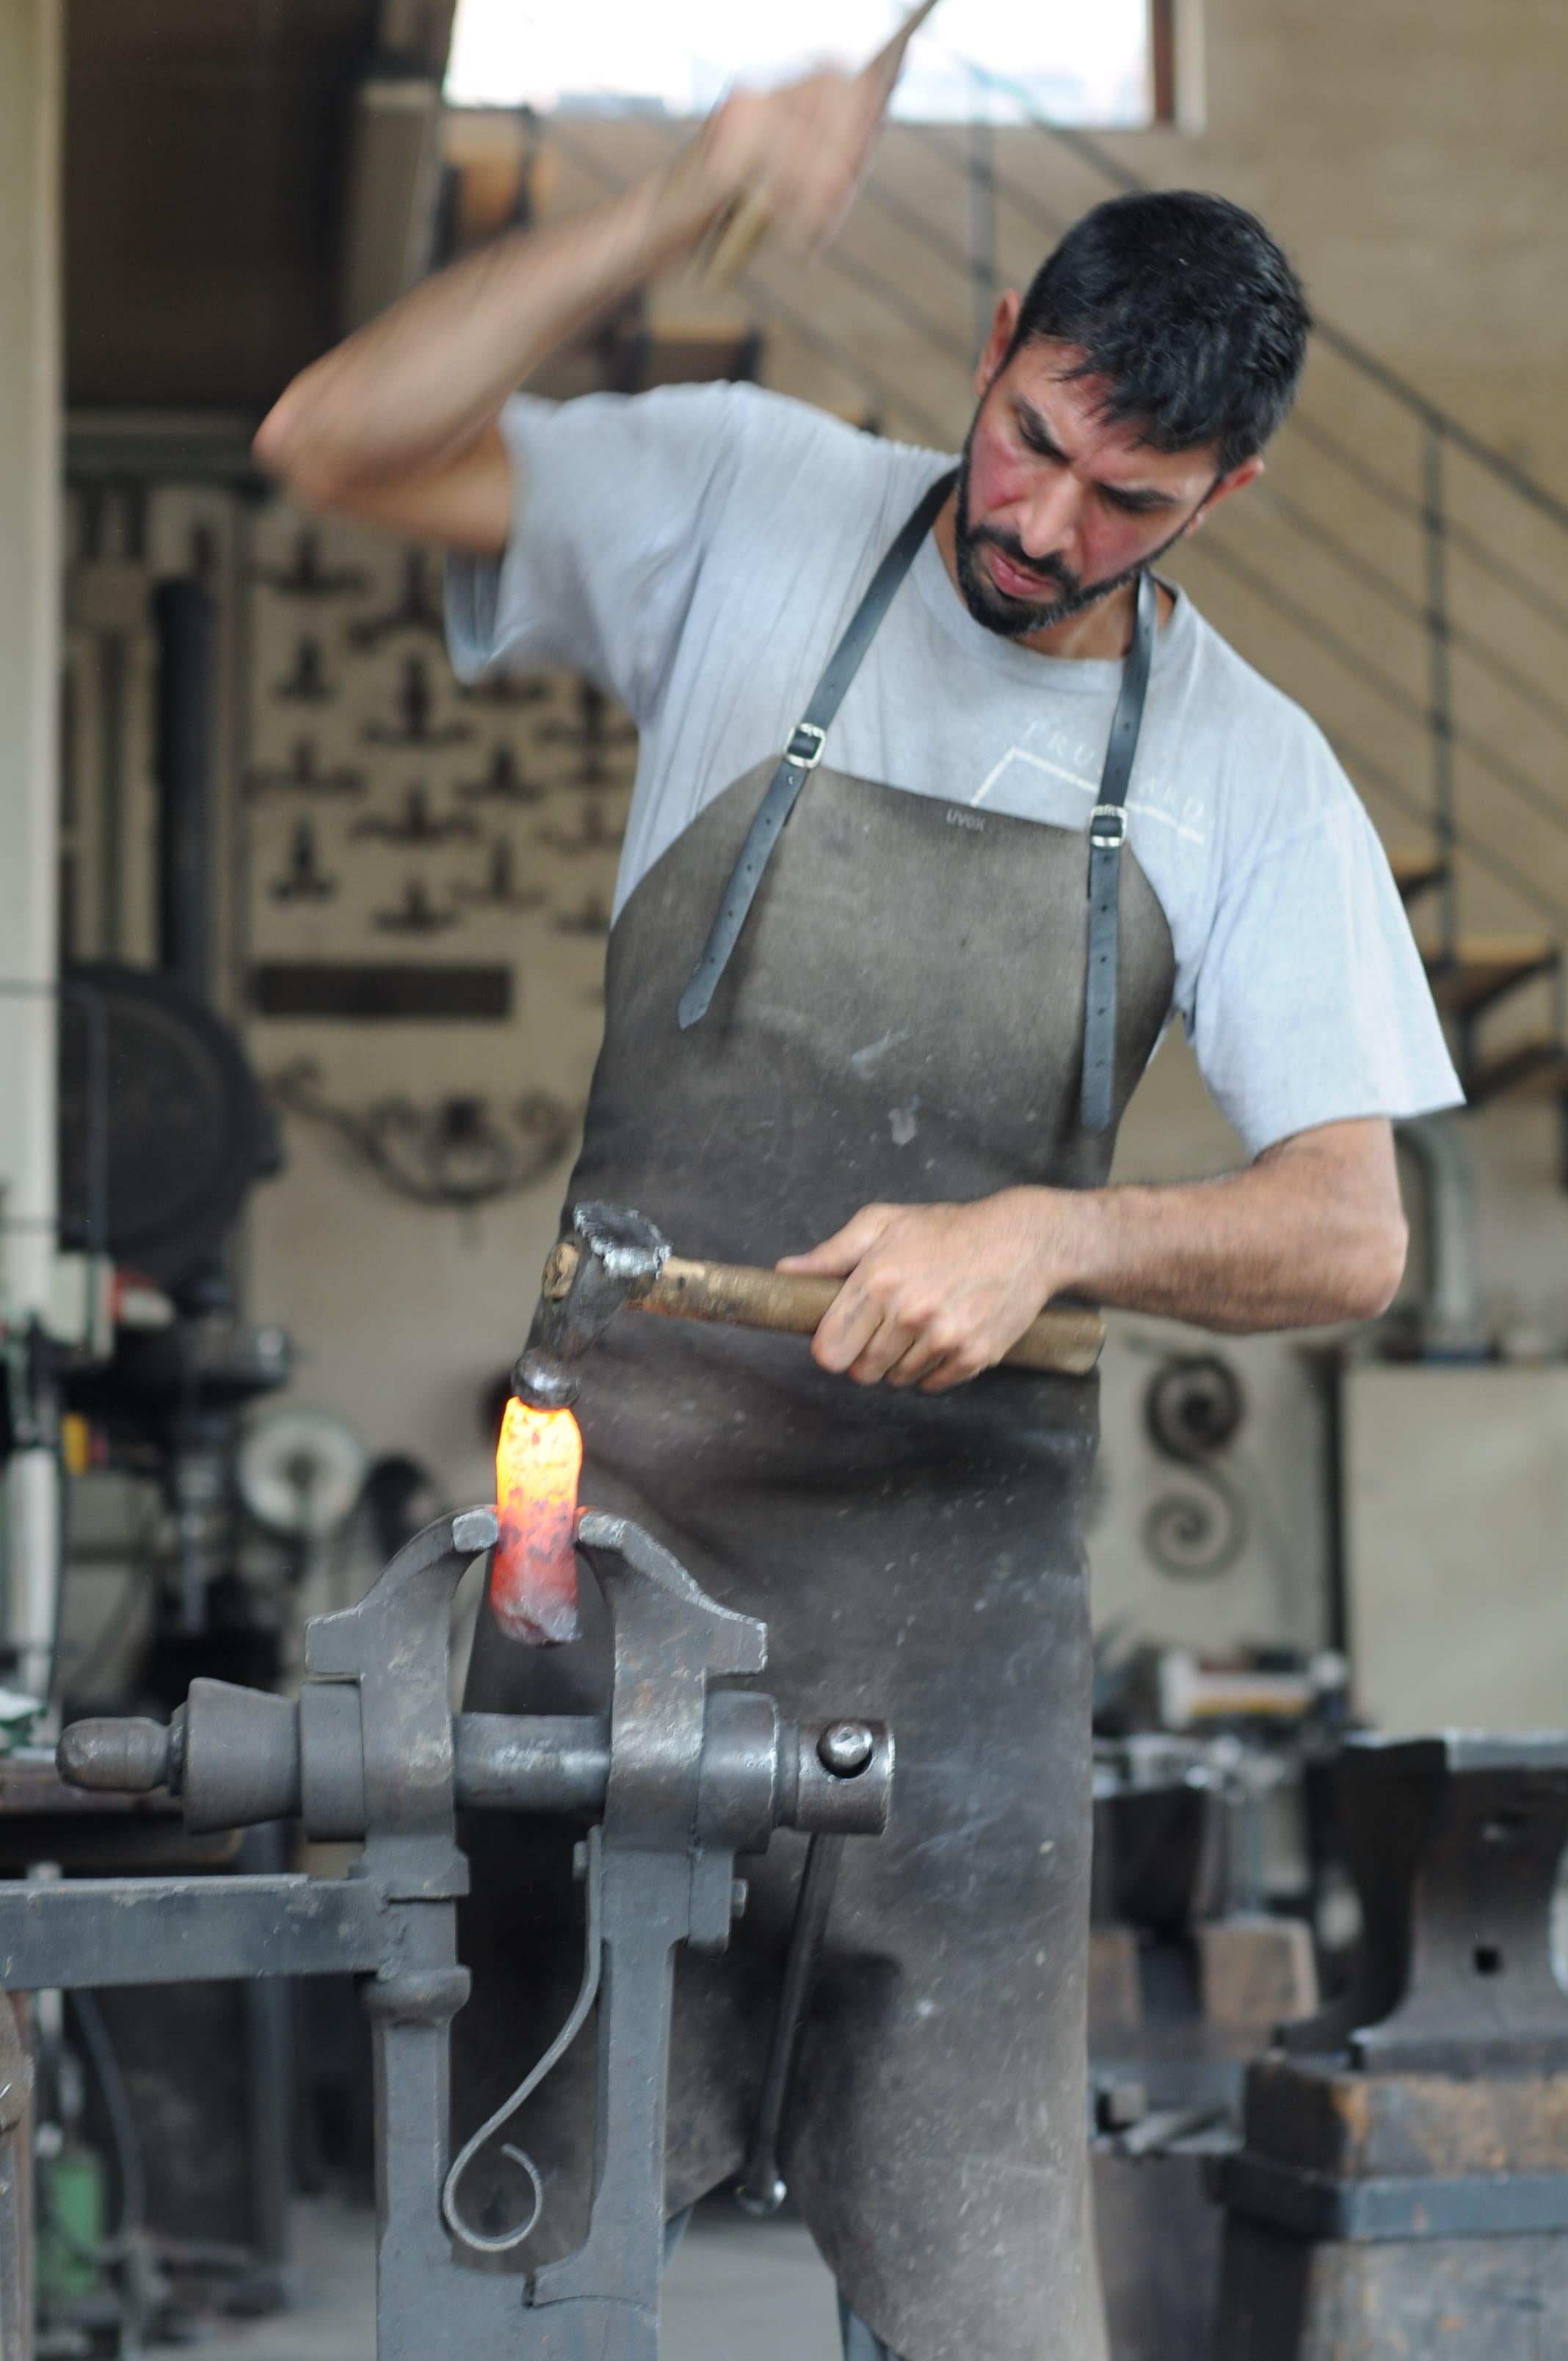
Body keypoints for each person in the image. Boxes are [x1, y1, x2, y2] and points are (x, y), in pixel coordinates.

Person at [255, 60, 1461, 2361]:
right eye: (1031, 440)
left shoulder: (1244, 773)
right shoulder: (750, 503)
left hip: (959, 1657)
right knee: (522, 2264)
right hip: (604, 1586)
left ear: (1232, 489)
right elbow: (336, 438)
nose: (1045, 524)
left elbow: (1349, 1233)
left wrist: (1054, 1236)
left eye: (1133, 500)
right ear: (997, 335)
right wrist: (675, 198)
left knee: (998, 2307)